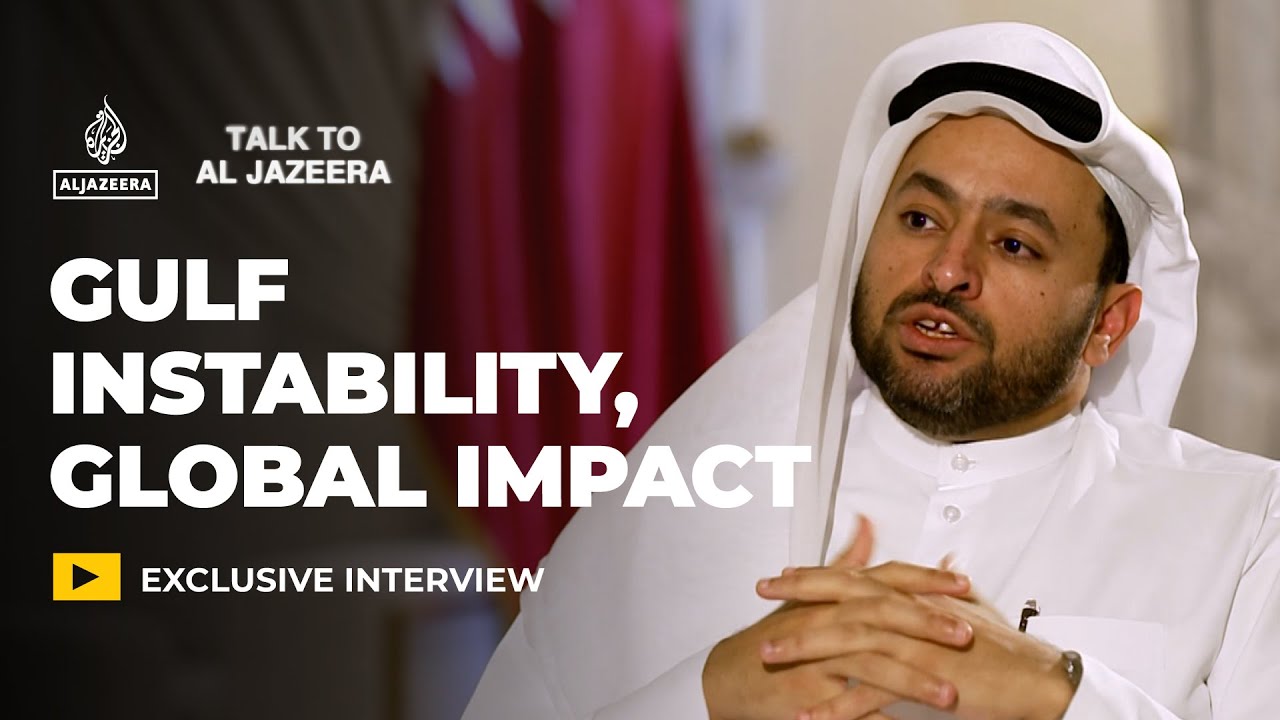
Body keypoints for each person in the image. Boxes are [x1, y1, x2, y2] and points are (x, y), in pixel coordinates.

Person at [461, 22, 1278, 720]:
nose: (947, 269)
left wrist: (1056, 692)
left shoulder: (1245, 524)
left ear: (1109, 324)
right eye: (919, 218)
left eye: (1013, 243)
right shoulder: (685, 504)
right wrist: (713, 693)